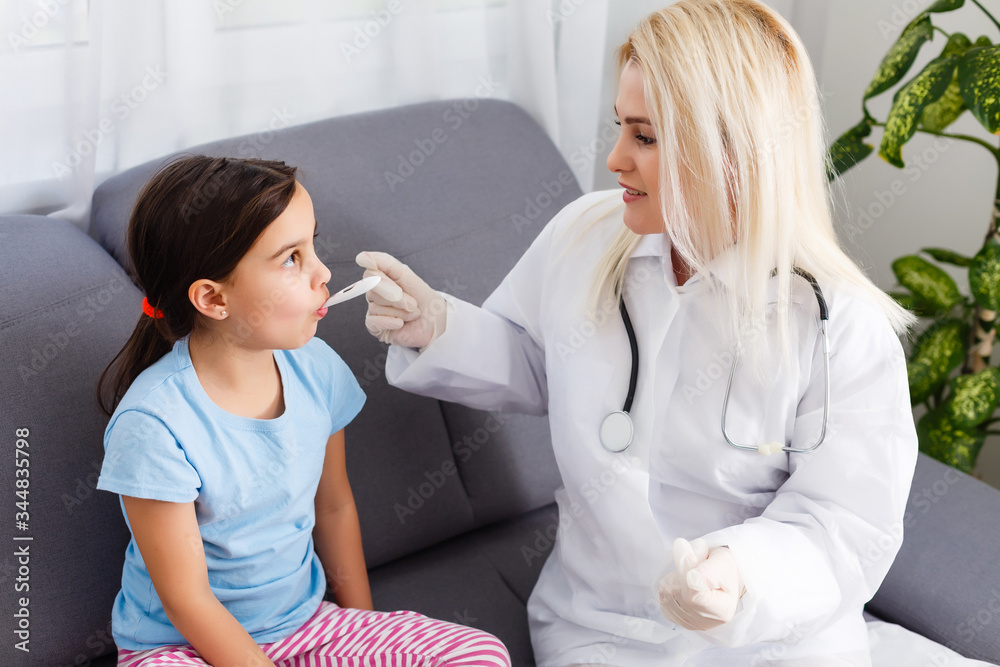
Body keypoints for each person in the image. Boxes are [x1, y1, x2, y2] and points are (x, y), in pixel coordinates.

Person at [353, 1, 996, 665]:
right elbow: (536, 359)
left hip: (772, 636)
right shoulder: (585, 235)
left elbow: (840, 524)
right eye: (619, 128)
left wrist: (736, 576)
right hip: (600, 624)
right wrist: (438, 328)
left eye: (646, 137)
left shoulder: (839, 327)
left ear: (733, 150)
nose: (613, 159)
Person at [95, 155, 511, 667]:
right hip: (183, 648)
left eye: (312, 244)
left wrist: (366, 630)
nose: (323, 273)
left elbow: (333, 508)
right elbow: (187, 601)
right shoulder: (154, 426)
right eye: (292, 258)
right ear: (212, 298)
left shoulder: (317, 370)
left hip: (307, 625)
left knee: (479, 653)